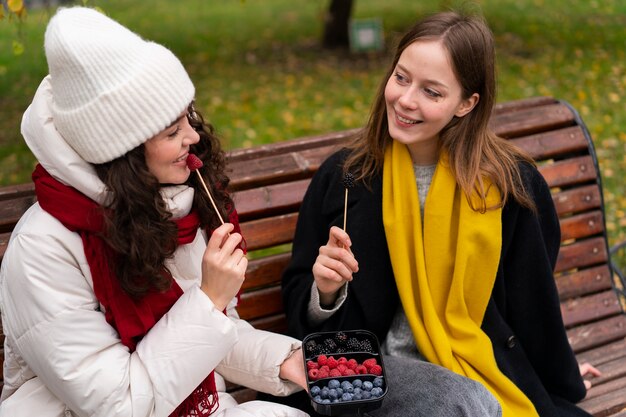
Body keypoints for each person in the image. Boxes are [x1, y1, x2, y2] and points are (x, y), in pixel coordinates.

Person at [281, 10, 593, 417]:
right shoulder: (346, 178)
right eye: (401, 78)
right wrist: (323, 292)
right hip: (362, 374)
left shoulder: (510, 188)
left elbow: (532, 302)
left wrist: (560, 381)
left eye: (432, 92)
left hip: (472, 370)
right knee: (466, 406)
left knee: (473, 404)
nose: (406, 100)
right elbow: (300, 301)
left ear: (466, 103)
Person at [0, 7, 309, 417]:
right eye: (172, 131)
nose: (194, 137)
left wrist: (282, 360)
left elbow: (210, 334)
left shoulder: (171, 204)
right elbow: (119, 404)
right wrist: (210, 298)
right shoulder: (43, 250)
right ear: (121, 154)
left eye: (188, 118)